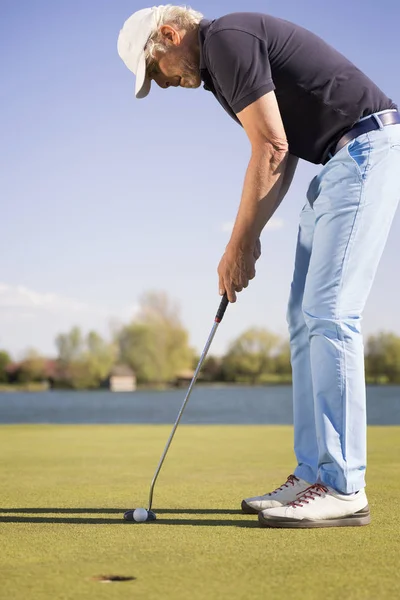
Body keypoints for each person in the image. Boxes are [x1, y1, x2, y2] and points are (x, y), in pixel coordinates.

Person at [117, 6, 400, 528]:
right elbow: (282, 147)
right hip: (335, 163)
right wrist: (249, 239)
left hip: (364, 147)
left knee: (331, 312)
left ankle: (343, 486)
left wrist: (237, 245)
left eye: (157, 71)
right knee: (302, 317)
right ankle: (313, 471)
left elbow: (270, 146)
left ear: (169, 35)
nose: (165, 83)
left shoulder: (226, 41)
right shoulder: (220, 75)